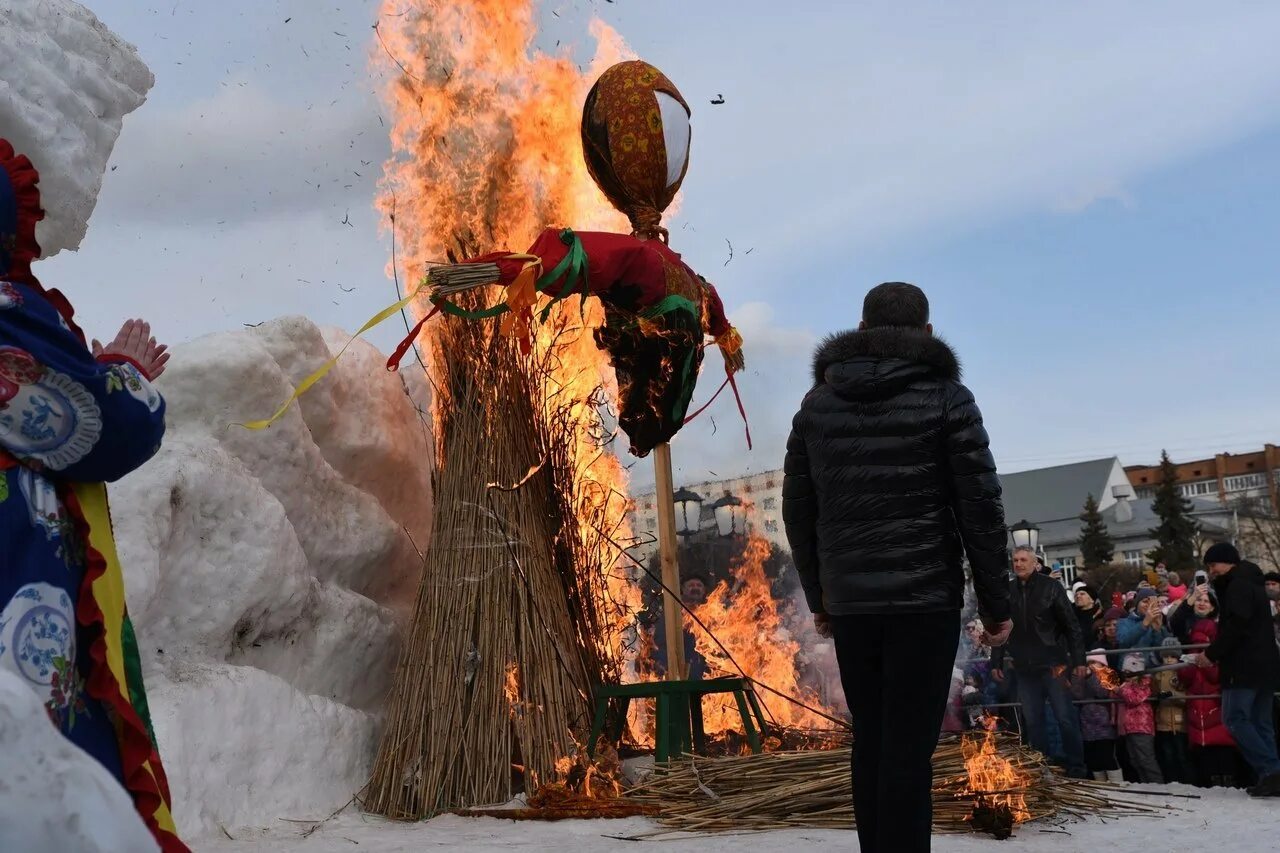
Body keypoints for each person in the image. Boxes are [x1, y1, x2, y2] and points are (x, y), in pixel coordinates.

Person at [0, 139, 185, 851]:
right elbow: (104, 426)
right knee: (42, 772)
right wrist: (122, 372)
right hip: (16, 575)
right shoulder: (8, 313)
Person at [783, 282, 1011, 853]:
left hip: (854, 605)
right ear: (927, 334)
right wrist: (997, 603)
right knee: (909, 748)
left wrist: (822, 600)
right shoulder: (948, 399)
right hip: (925, 599)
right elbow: (979, 509)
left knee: (873, 742)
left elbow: (798, 513)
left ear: (861, 331)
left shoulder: (817, 405)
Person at [990, 547, 1089, 778]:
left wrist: (1079, 661)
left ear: (1035, 563)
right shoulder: (1008, 590)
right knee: (1033, 721)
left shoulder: (1051, 587)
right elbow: (1000, 628)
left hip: (1054, 663)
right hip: (1024, 667)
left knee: (1065, 718)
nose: (1018, 564)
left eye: (1023, 559)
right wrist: (996, 661)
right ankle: (1042, 768)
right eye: (1015, 560)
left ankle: (1077, 768)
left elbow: (1071, 626)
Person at [1193, 543, 1280, 796]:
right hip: (1264, 665)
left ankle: (1272, 769)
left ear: (1228, 561)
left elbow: (1237, 626)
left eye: (1213, 565)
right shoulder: (1251, 581)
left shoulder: (1237, 586)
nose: (1211, 572)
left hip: (1243, 665)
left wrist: (1211, 653)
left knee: (1235, 718)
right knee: (1260, 722)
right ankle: (1270, 776)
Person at [1179, 619, 1241, 788]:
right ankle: (1210, 782)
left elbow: (1216, 677)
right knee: (1205, 752)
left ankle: (1229, 780)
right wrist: (1192, 659)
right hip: (1197, 709)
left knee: (1223, 747)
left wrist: (1206, 658)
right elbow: (1184, 677)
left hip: (1216, 706)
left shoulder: (1221, 653)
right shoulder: (1190, 654)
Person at [1073, 651, 1122, 782]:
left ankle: (1117, 784)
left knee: (1107, 755)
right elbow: (1077, 695)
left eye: (1094, 662)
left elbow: (1101, 692)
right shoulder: (1083, 676)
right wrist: (1078, 678)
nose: (1091, 666)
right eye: (1089, 663)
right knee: (1093, 758)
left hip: (1104, 723)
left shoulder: (1109, 675)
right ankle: (1101, 784)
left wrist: (1091, 677)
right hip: (1087, 723)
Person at [1117, 654, 1165, 783]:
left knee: (1146, 760)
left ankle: (1158, 785)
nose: (1126, 675)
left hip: (1141, 727)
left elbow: (1134, 699)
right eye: (1125, 672)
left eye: (1129, 673)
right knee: (1135, 760)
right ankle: (1146, 785)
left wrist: (1122, 688)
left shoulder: (1144, 683)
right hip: (1130, 727)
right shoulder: (1130, 685)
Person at [1153, 637, 1193, 784]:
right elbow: (1153, 693)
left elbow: (1186, 698)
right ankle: (1171, 782)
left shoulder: (1182, 673)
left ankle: (1188, 782)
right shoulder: (1157, 674)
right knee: (1167, 756)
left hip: (1179, 721)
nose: (1169, 660)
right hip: (1163, 722)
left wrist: (1173, 696)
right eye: (1165, 657)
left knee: (1182, 755)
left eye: (1172, 657)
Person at [1116, 588, 1173, 655]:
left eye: (1153, 603)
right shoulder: (1123, 622)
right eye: (1145, 601)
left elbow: (1162, 652)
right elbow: (1123, 643)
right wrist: (1144, 624)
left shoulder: (1156, 623)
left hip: (1150, 665)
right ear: (1137, 604)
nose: (1149, 606)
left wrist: (1158, 630)